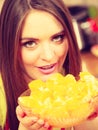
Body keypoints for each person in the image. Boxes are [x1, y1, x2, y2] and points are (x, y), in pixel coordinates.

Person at [0, 0, 98, 130]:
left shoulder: (77, 83)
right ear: (8, 45)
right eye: (30, 43)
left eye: (57, 37)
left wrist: (84, 111)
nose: (49, 56)